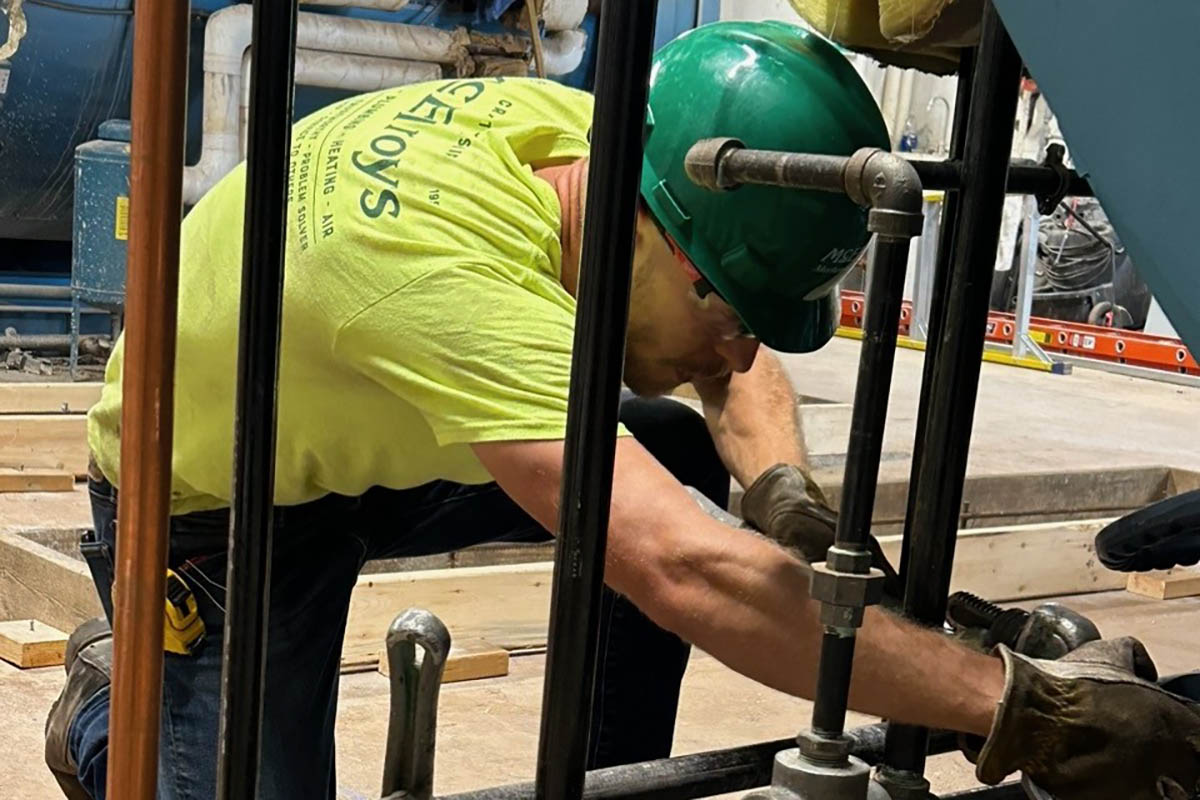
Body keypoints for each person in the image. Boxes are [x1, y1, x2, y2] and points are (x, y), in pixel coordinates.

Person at [45, 20, 1198, 800]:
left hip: (359, 417)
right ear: (665, 240)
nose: (745, 347)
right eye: (738, 308)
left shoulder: (600, 152)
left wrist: (787, 509)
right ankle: (106, 708)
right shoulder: (446, 284)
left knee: (680, 463)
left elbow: (726, 367)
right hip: (210, 500)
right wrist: (1034, 714)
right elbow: (686, 572)